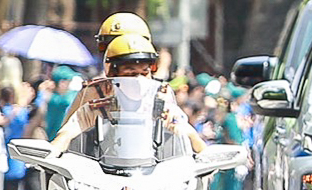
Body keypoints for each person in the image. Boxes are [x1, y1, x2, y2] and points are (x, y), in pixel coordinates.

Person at [47, 35, 206, 156]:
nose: (139, 80)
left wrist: (205, 154)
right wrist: (52, 153)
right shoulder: (95, 108)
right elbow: (66, 134)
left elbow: (189, 134)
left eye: (144, 73)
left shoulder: (163, 109)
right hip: (102, 185)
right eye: (130, 74)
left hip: (154, 186)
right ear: (113, 74)